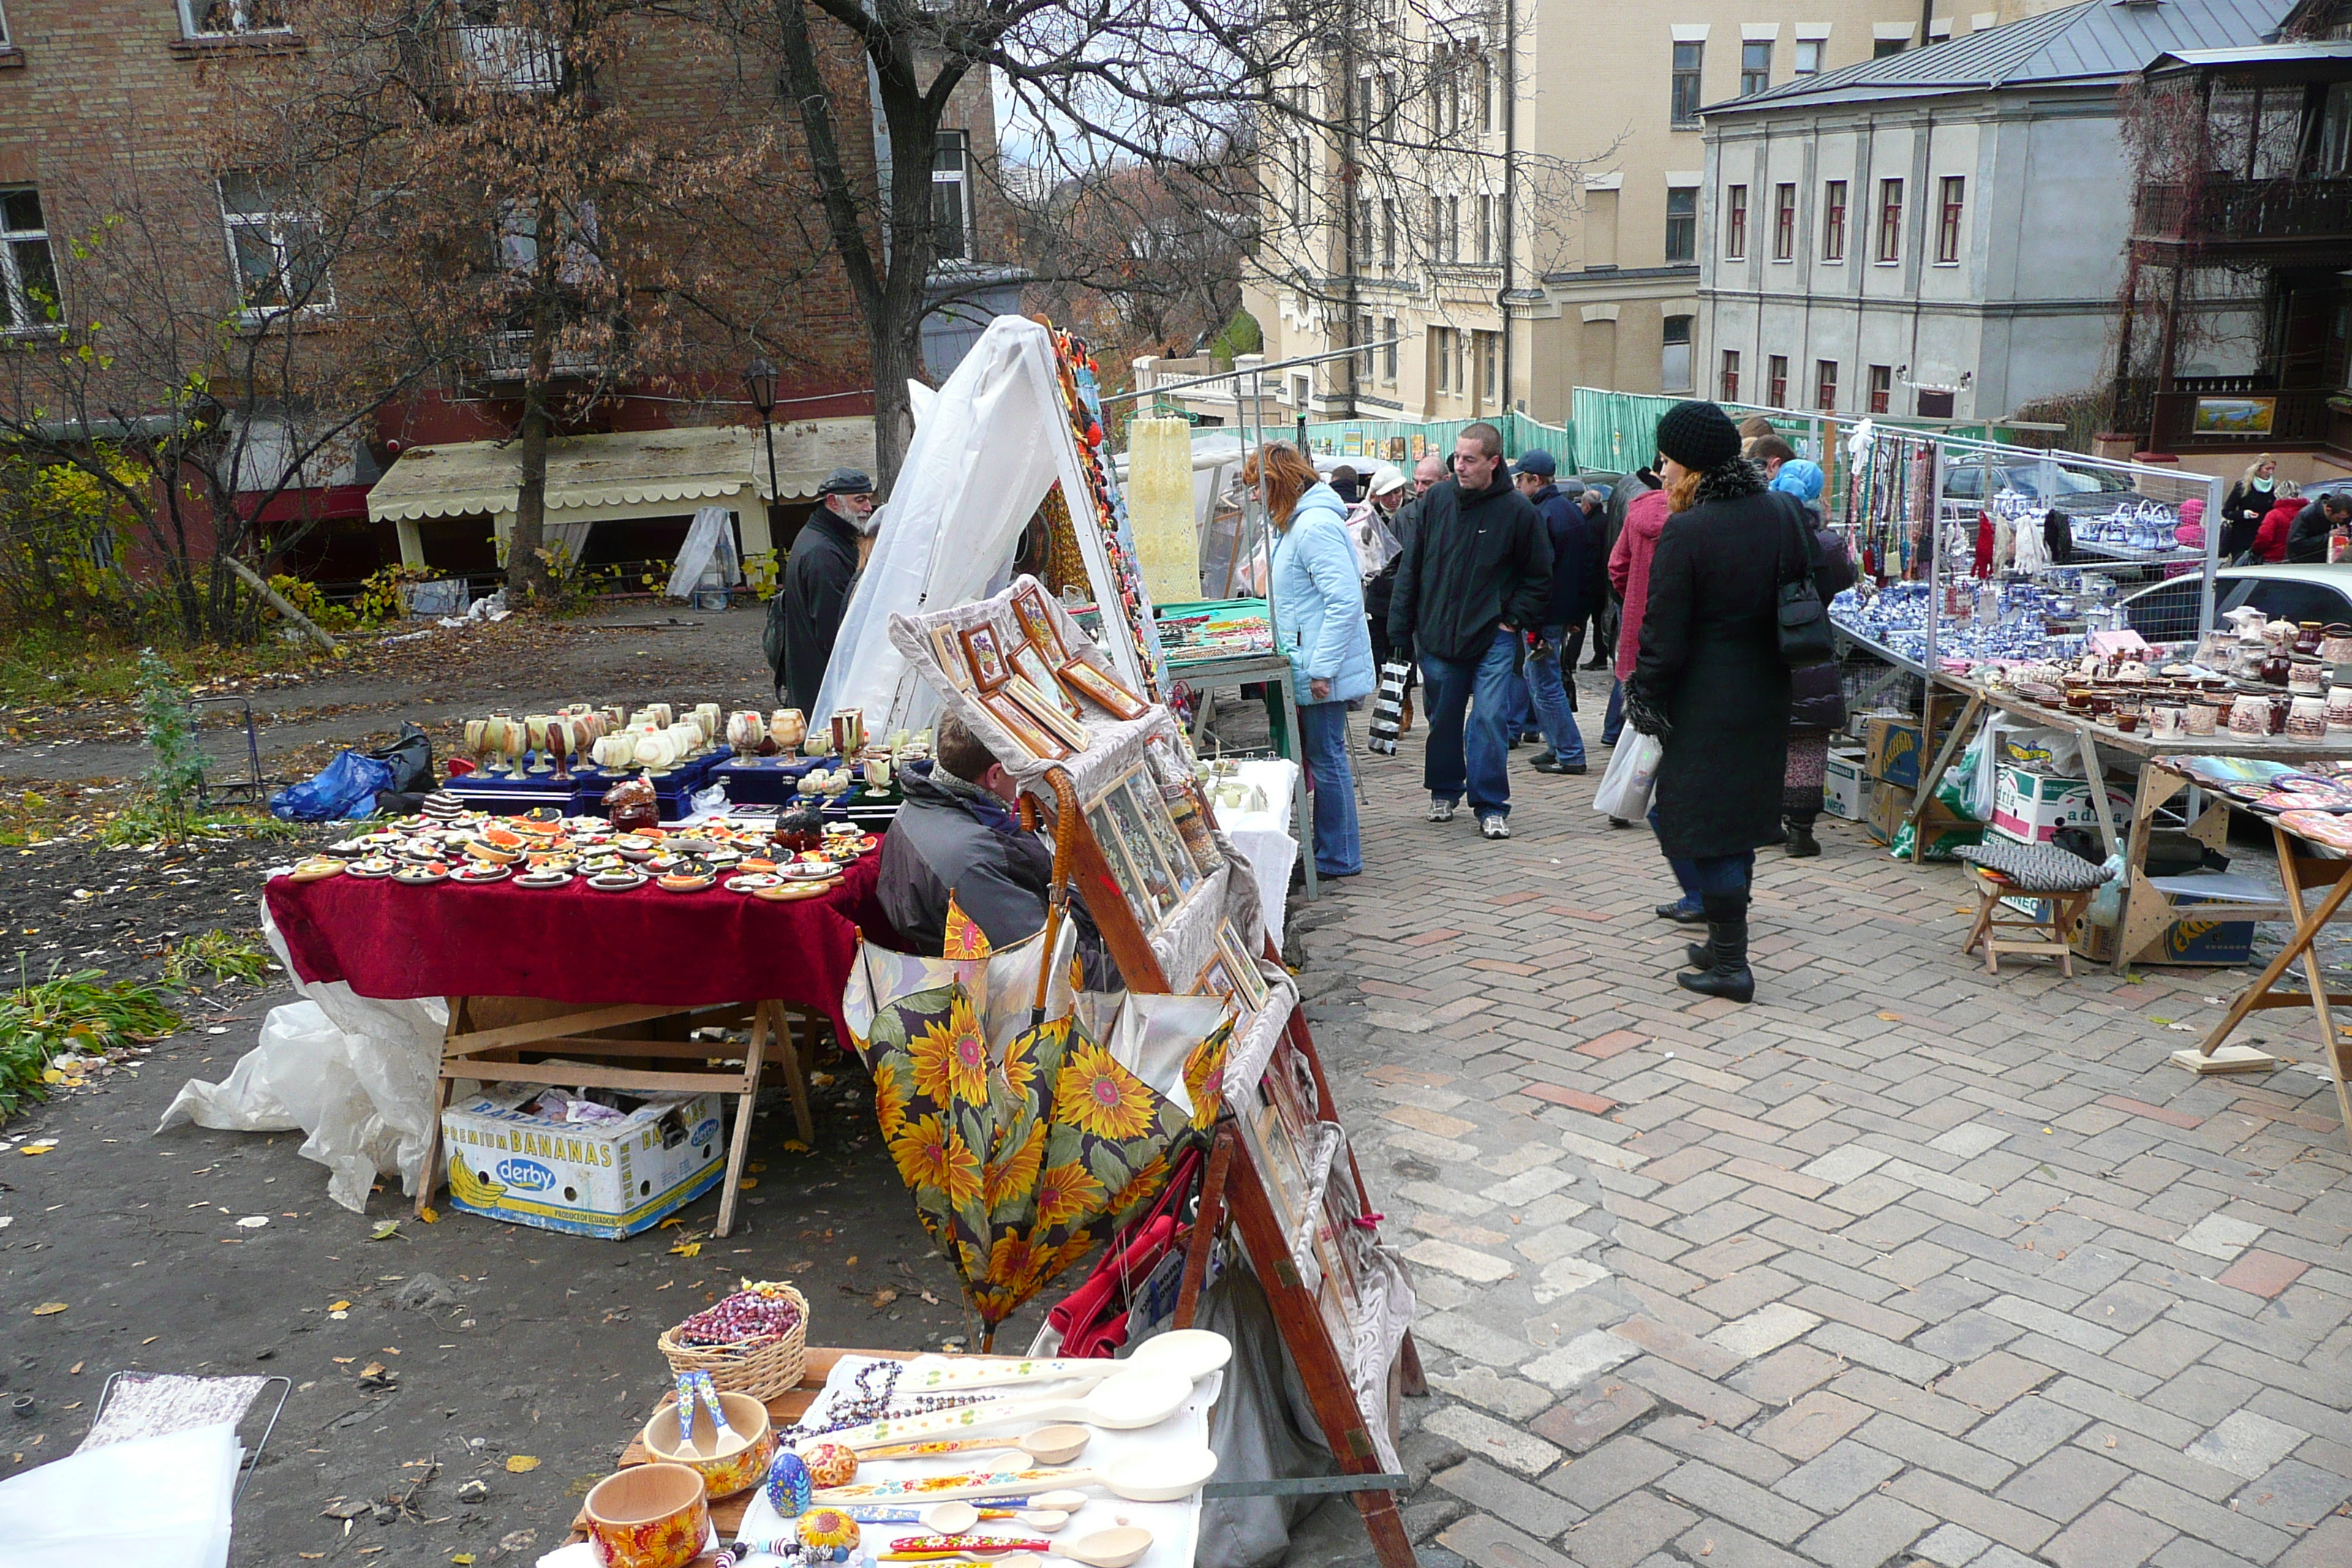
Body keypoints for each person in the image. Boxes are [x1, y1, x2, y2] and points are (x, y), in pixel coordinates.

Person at [1625, 400, 1793, 1003]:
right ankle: (1725, 947)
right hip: (1767, 690)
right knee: (1739, 824)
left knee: (1707, 826)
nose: (1661, 471)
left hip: (1705, 700)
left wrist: (1644, 695)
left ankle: (1732, 966)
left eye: (1667, 461)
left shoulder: (1689, 529)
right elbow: (1816, 583)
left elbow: (1661, 632)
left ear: (1692, 466)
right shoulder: (1780, 512)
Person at [1388, 422, 1553, 840]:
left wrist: (1512, 618)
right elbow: (1411, 566)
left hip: (1493, 635)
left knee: (1489, 717)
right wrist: (1400, 629)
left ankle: (1491, 804)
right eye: (1456, 458)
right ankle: (1444, 790)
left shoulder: (1518, 511)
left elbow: (1540, 575)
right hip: (1439, 635)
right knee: (1443, 719)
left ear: (1493, 462)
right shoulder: (1437, 500)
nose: (1459, 467)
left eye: (1469, 459)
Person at [878, 712, 1119, 990]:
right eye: (1021, 765)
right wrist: (1135, 973)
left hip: (1007, 956)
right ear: (994, 775)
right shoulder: (972, 861)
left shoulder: (921, 802)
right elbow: (1054, 968)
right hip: (1007, 998)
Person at [1244, 442, 1376, 878]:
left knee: (1327, 756)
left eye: (1257, 488)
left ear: (1277, 484)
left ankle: (1337, 856)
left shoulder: (1313, 526)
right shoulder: (1299, 524)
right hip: (1310, 657)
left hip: (1319, 664)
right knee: (1324, 755)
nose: (1254, 498)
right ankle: (1332, 852)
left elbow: (1343, 601)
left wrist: (1321, 669)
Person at [1512, 449, 1601, 777]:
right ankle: (1557, 747)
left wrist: (1532, 622)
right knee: (1543, 682)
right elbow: (1586, 569)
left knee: (1545, 684)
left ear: (1535, 480)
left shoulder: (1543, 515)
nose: (1518, 485)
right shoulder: (1571, 511)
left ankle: (1569, 751)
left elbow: (1540, 574)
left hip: (1545, 616)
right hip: (1560, 613)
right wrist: (1577, 616)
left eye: (1521, 479)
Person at [772, 467, 876, 714]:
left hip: (819, 687)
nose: (869, 508)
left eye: (869, 499)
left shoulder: (825, 538)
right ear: (833, 502)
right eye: (860, 500)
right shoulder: (823, 553)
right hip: (824, 693)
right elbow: (836, 633)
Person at [1784, 522, 1858, 857]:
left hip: (1767, 655)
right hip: (1811, 647)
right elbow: (1845, 578)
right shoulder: (1825, 544)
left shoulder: (1756, 539)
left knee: (1770, 744)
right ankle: (1800, 831)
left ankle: (1769, 820)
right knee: (1809, 747)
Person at [1369, 455, 1446, 735]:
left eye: (1399, 492)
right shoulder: (1391, 520)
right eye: (1417, 482)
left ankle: (1438, 724)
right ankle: (1407, 709)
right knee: (1400, 661)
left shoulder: (1449, 514)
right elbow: (1388, 569)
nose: (1395, 498)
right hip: (1393, 607)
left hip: (1438, 611)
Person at [1604, 475, 1670, 767]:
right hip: (1674, 630)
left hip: (1637, 626)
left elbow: (1617, 567)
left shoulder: (1638, 512)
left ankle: (1628, 786)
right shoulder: (1697, 516)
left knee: (1636, 712)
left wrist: (1632, 598)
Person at [2221, 455, 2278, 559]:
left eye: (2273, 469)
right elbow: (2226, 512)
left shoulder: (2275, 488)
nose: (2271, 473)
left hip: (2263, 537)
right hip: (2242, 538)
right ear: (2257, 469)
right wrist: (2244, 514)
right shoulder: (2243, 486)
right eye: (2267, 469)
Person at [2285, 489, 2350, 564]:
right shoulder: (2307, 515)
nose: (2341, 521)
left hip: (2329, 561)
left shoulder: (2343, 516)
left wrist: (2348, 531)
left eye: (2344, 519)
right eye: (2339, 518)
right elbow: (2295, 544)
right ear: (2328, 510)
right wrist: (2327, 537)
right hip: (2303, 562)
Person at [2253, 480, 2303, 563]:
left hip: (2273, 559)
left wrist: (2256, 550)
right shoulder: (2307, 513)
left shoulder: (2274, 515)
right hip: (2300, 559)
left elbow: (2264, 537)